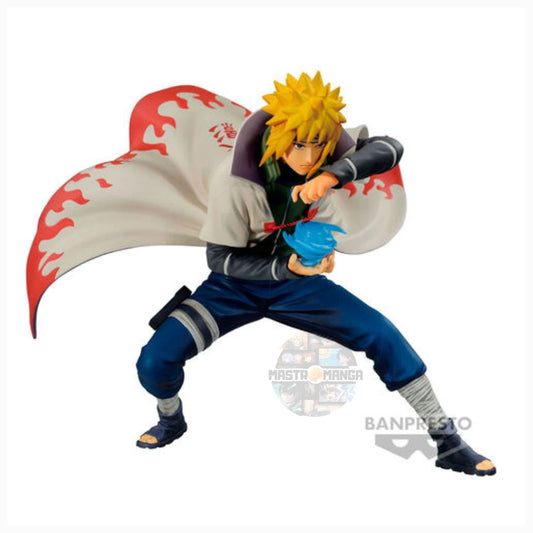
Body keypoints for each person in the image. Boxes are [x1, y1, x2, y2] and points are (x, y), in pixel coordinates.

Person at [134, 72, 495, 476]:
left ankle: (447, 441)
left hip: (298, 286)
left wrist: (332, 176)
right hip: (233, 286)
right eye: (299, 145)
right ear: (278, 137)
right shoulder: (234, 181)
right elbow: (218, 259)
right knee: (154, 361)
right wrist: (284, 266)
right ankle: (171, 419)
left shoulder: (324, 163)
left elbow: (390, 148)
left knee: (383, 335)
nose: (308, 157)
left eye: (318, 145)